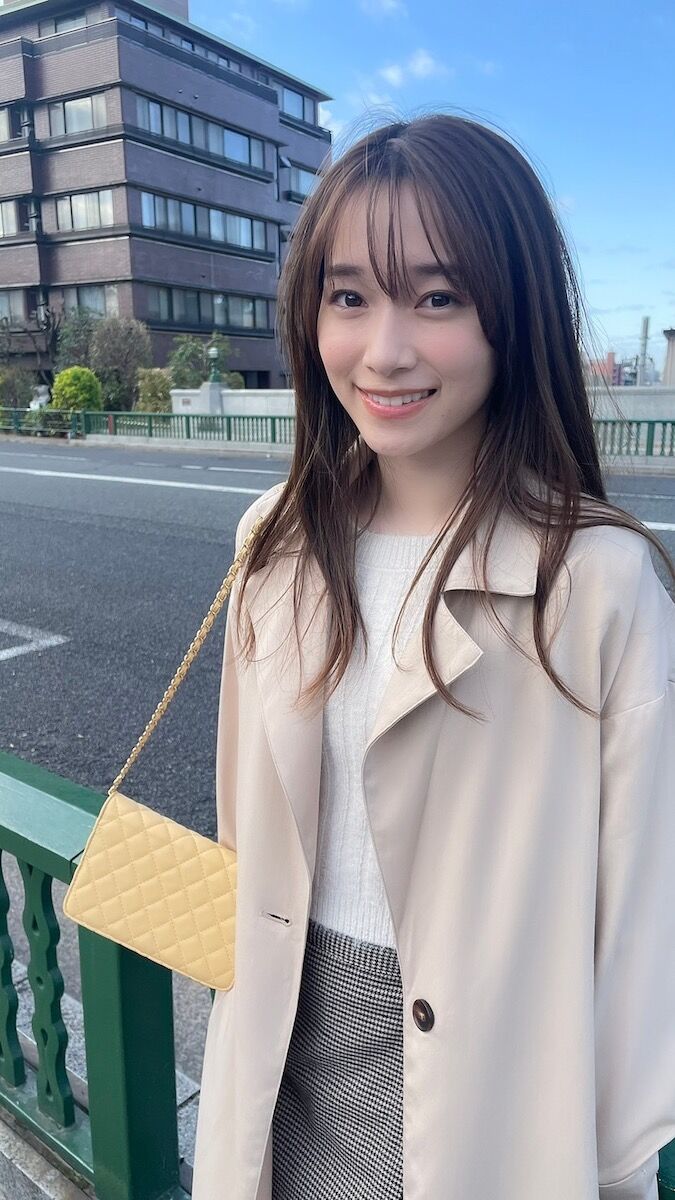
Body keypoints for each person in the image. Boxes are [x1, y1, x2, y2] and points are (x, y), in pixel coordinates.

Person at [191, 113, 675, 1200]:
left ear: (516, 313)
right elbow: (242, 832)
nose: (384, 350)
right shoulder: (274, 540)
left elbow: (642, 939)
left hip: (496, 1118)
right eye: (348, 297)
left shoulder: (596, 582)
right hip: (276, 1090)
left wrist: (615, 1169)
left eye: (439, 298)